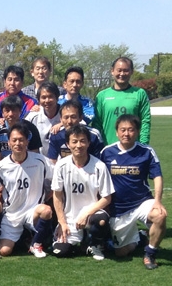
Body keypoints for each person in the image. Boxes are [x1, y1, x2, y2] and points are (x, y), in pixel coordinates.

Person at [100, 115, 167, 269]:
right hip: (118, 208)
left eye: (131, 130)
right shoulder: (107, 152)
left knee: (160, 215)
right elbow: (98, 179)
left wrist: (157, 201)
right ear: (116, 132)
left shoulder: (147, 151)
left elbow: (157, 176)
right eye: (123, 130)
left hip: (142, 202)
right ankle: (141, 238)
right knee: (121, 253)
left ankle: (150, 253)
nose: (126, 134)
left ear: (137, 132)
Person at [0, 124, 54, 258]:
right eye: (14, 140)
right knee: (5, 251)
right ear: (9, 143)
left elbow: (57, 179)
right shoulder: (2, 165)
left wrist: (51, 194)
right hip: (12, 214)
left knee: (46, 210)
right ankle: (25, 236)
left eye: (21, 140)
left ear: (27, 141)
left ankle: (35, 244)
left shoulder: (40, 161)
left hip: (33, 211)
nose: (18, 143)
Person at [51, 125, 114, 260]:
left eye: (82, 141)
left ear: (88, 143)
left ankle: (95, 244)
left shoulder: (99, 166)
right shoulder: (61, 165)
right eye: (74, 141)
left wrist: (86, 214)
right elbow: (57, 196)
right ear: (68, 144)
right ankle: (84, 242)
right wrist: (62, 222)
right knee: (61, 251)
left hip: (92, 214)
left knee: (101, 220)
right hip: (70, 218)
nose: (78, 145)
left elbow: (107, 198)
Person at [93, 57, 151, 145]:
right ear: (112, 71)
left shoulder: (140, 93)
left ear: (132, 71)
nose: (122, 74)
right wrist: (97, 145)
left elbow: (145, 122)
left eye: (126, 70)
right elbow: (97, 124)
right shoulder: (102, 95)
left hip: (133, 148)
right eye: (119, 70)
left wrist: (143, 144)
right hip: (108, 147)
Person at [48, 100, 104, 164]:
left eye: (73, 117)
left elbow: (99, 161)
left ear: (80, 118)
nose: (69, 121)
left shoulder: (93, 135)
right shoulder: (55, 135)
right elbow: (52, 161)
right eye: (66, 117)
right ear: (61, 119)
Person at [24, 82, 62, 157]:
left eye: (50, 96)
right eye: (43, 97)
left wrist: (63, 123)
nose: (47, 100)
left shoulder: (66, 114)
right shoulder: (33, 115)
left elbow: (81, 124)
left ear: (57, 97)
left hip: (61, 159)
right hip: (39, 159)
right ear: (38, 99)